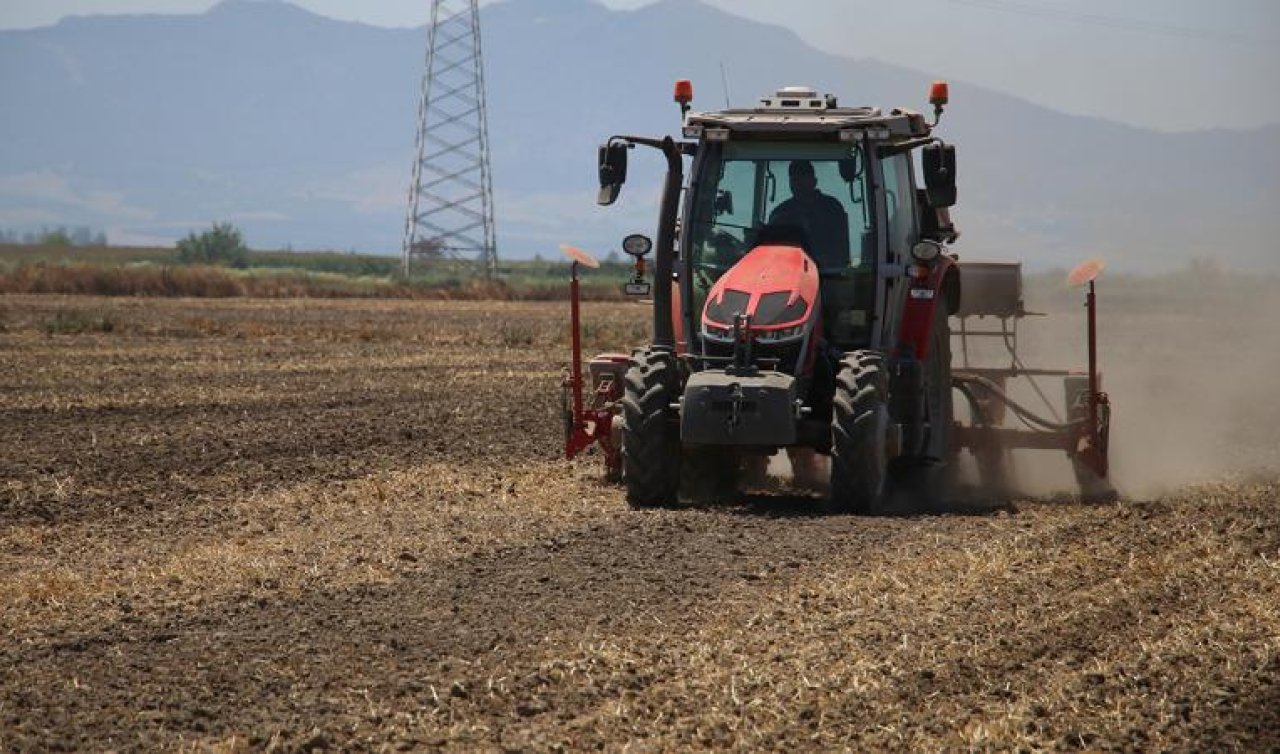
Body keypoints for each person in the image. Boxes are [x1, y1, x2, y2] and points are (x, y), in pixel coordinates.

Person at [767, 160, 850, 269]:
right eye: (794, 180)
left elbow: (841, 252)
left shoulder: (832, 209)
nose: (798, 184)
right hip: (788, 276)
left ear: (814, 182)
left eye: (803, 179)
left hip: (827, 276)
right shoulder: (780, 213)